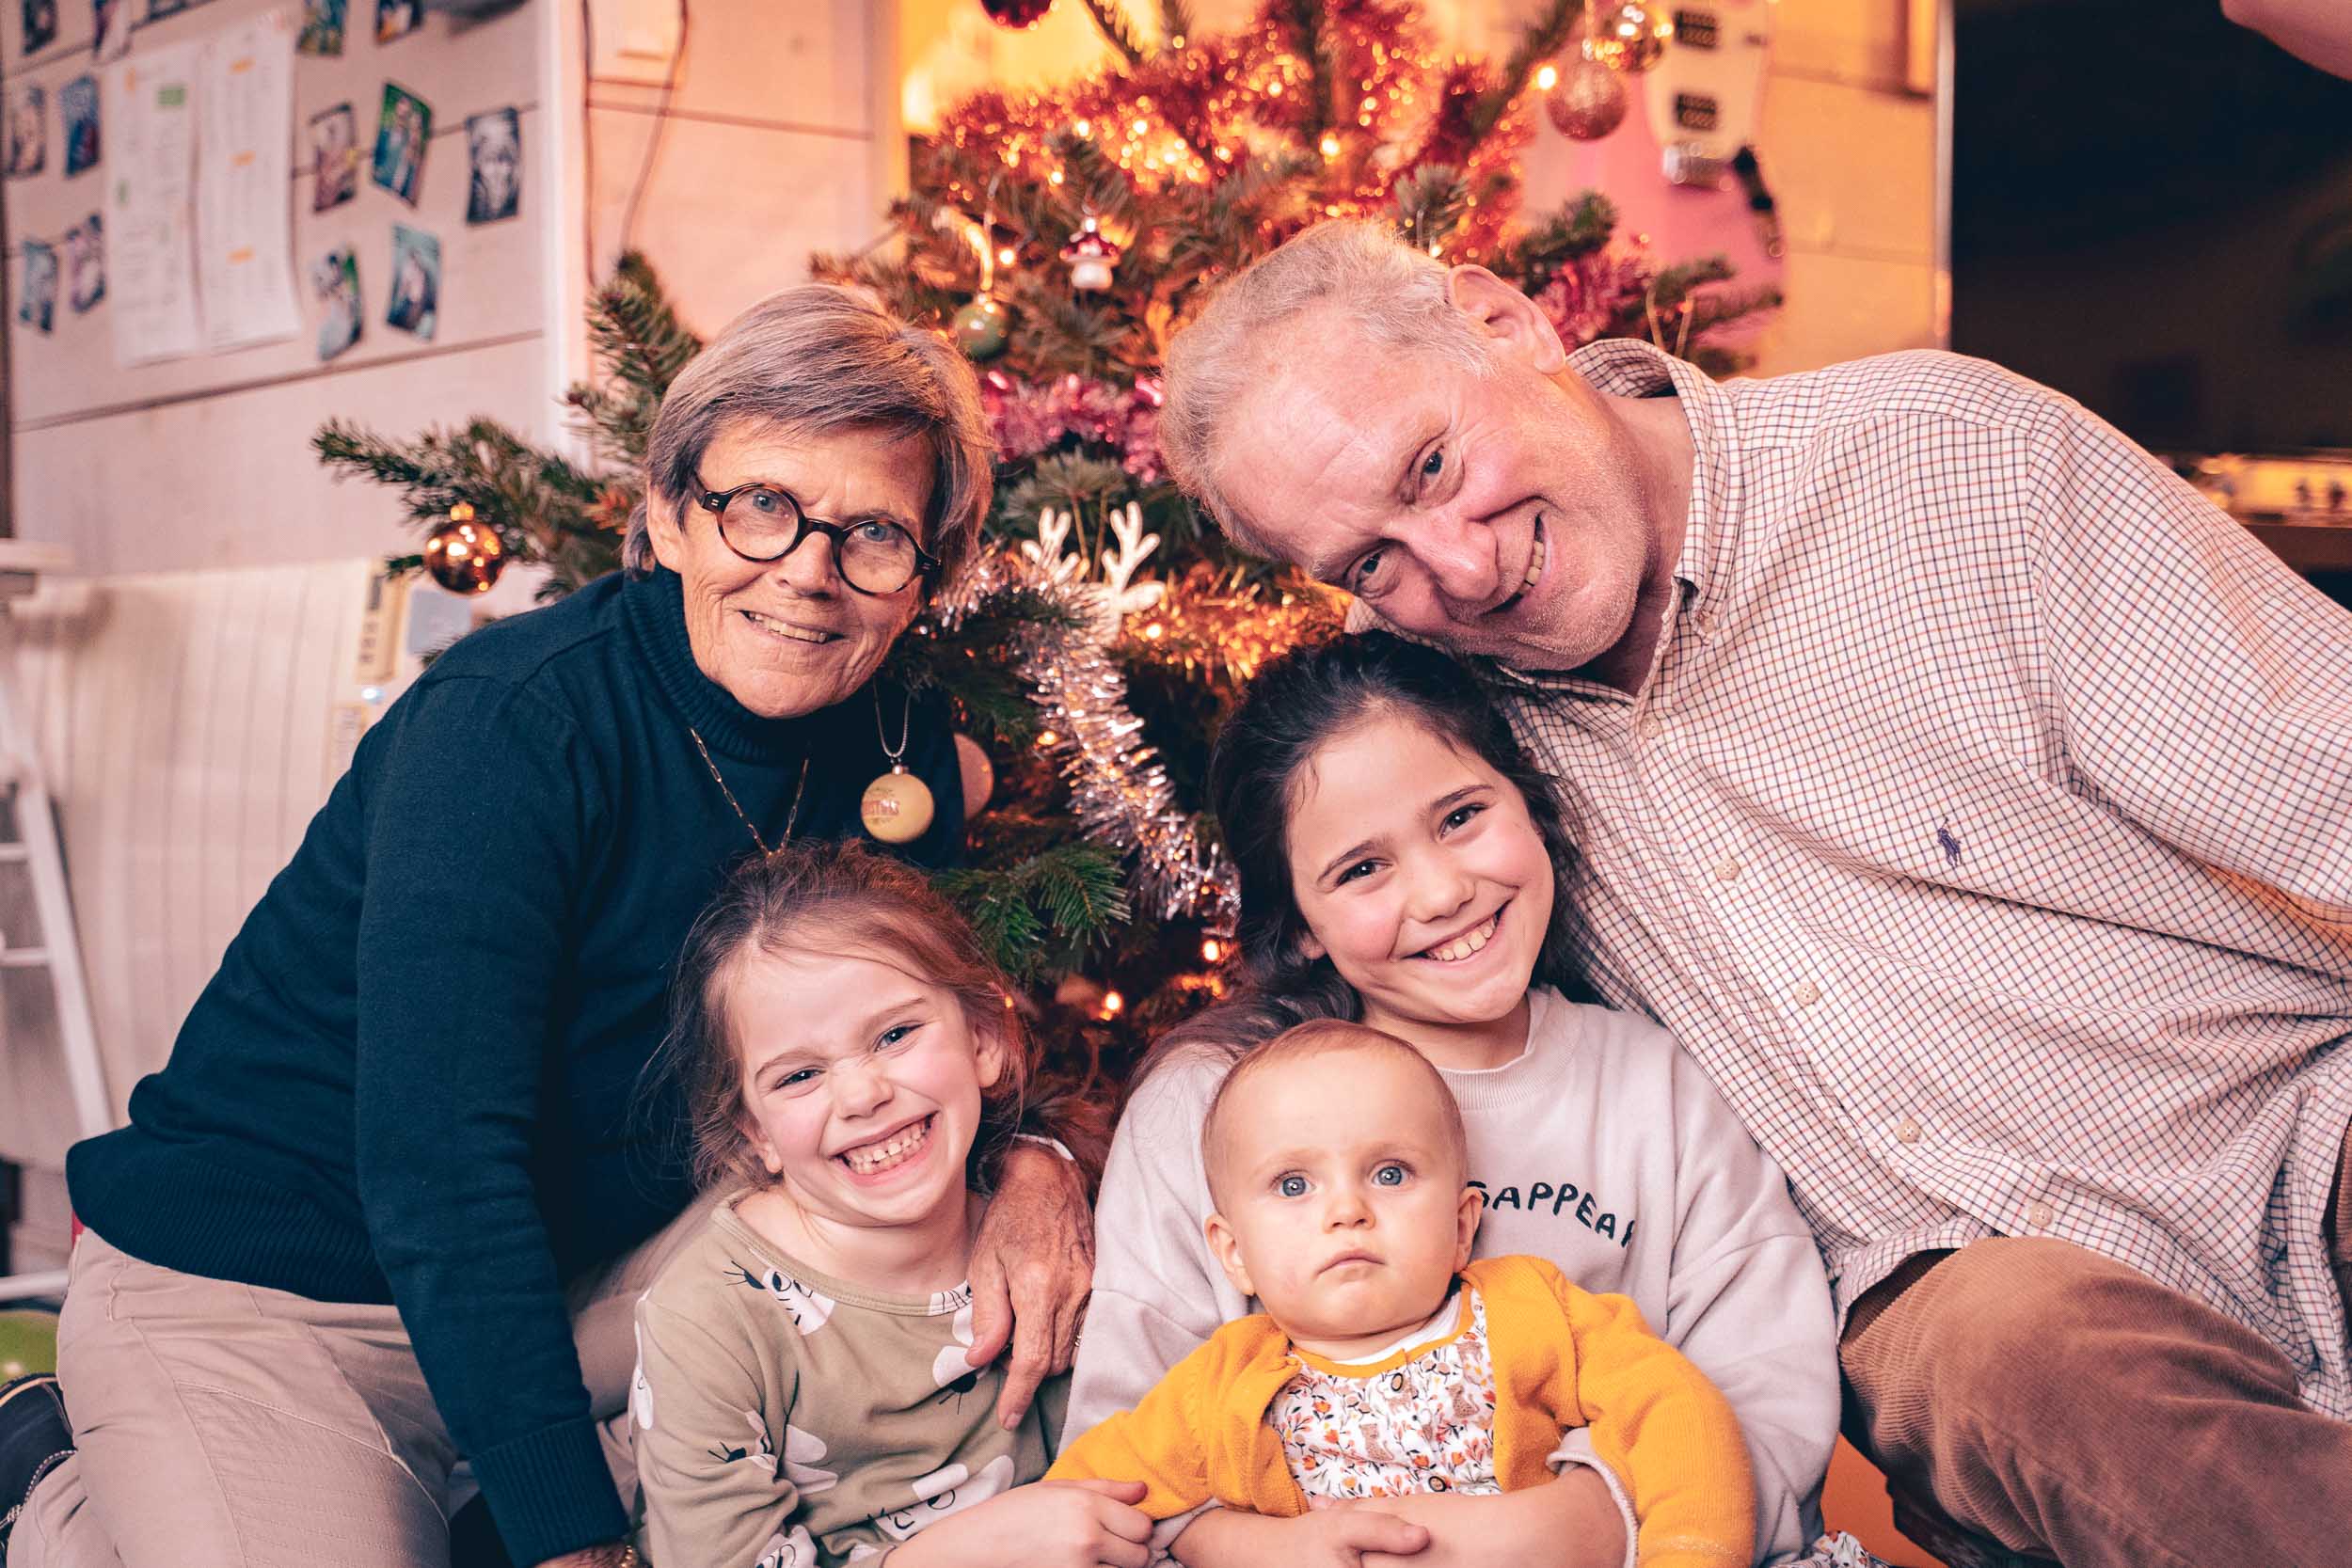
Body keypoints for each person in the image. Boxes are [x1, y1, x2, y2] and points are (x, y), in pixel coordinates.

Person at [1152, 216, 2352, 1565]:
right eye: (1369, 559)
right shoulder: (1427, 699)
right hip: (1957, 1275)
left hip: (2306, 1115)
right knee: (2014, 1356)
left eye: (1434, 465)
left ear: (1504, 323)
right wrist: (1016, 1154)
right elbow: (1334, 937)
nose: (1461, 568)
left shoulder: (1952, 459)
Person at [0, 285, 1093, 1568]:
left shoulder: (894, 755)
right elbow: (438, 1160)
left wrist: (1035, 1167)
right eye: (761, 507)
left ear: (927, 578)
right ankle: (56, 1490)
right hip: (272, 1295)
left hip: (586, 1277)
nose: (809, 568)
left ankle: (443, 1483)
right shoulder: (509, 723)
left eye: (873, 533)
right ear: (668, 516)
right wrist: (574, 1538)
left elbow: (943, 1042)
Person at [1069, 633, 1845, 1568]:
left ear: (1529, 800)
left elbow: (1767, 1388)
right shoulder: (1203, 1106)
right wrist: (1250, 1546)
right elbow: (1114, 1467)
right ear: (1297, 924)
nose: (1440, 891)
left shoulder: (1653, 1086)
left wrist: (1595, 1521)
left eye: (1461, 816)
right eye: (1360, 868)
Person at [1053, 1020, 1754, 1568]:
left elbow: (1678, 1413)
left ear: (1459, 1225)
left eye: (1389, 1173)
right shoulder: (1216, 1390)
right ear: (1234, 1253)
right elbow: (1080, 1505)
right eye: (1294, 1184)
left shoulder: (1533, 1312)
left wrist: (1687, 1553)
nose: (1347, 1208)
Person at [633, 842, 1145, 1568]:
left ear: (986, 1039)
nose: (863, 1094)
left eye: (895, 1034)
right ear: (756, 1134)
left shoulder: (1059, 1241)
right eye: (800, 1074)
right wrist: (970, 1550)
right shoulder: (708, 1320)